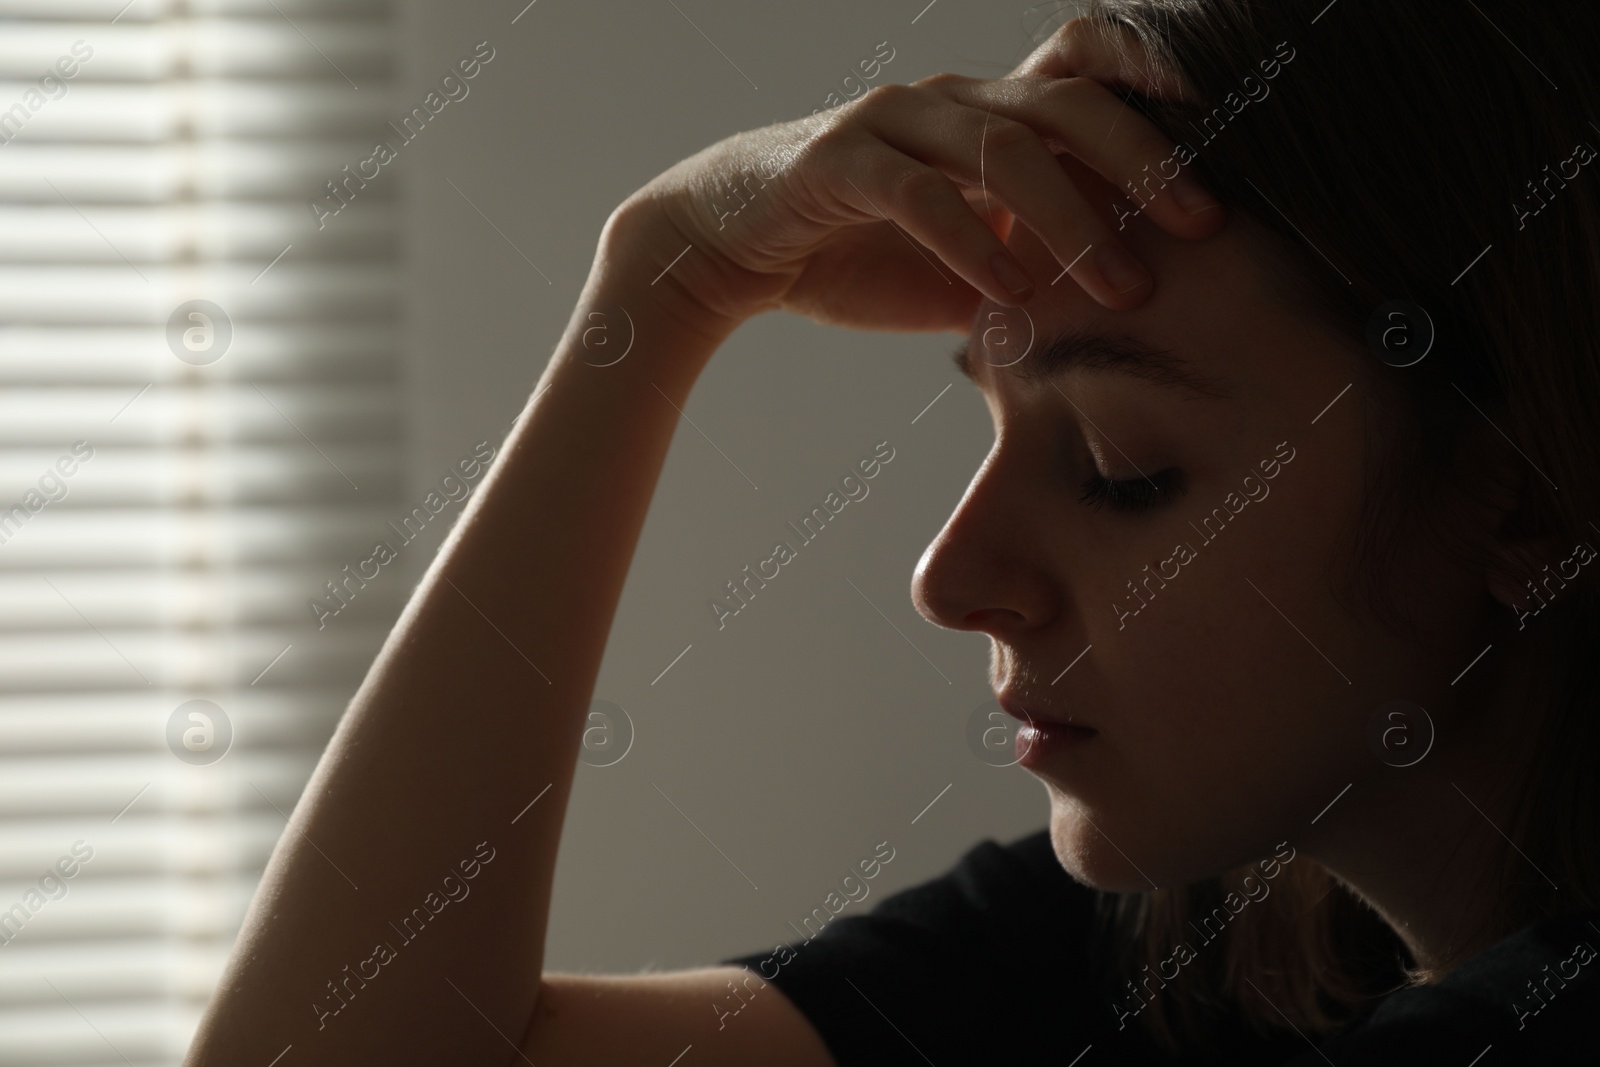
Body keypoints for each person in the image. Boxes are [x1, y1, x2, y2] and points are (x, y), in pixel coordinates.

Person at [184, 1, 1600, 1063]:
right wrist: (665, 277)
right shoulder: (1205, 947)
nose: (947, 580)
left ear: (1526, 497)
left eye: (1120, 470)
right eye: (988, 425)